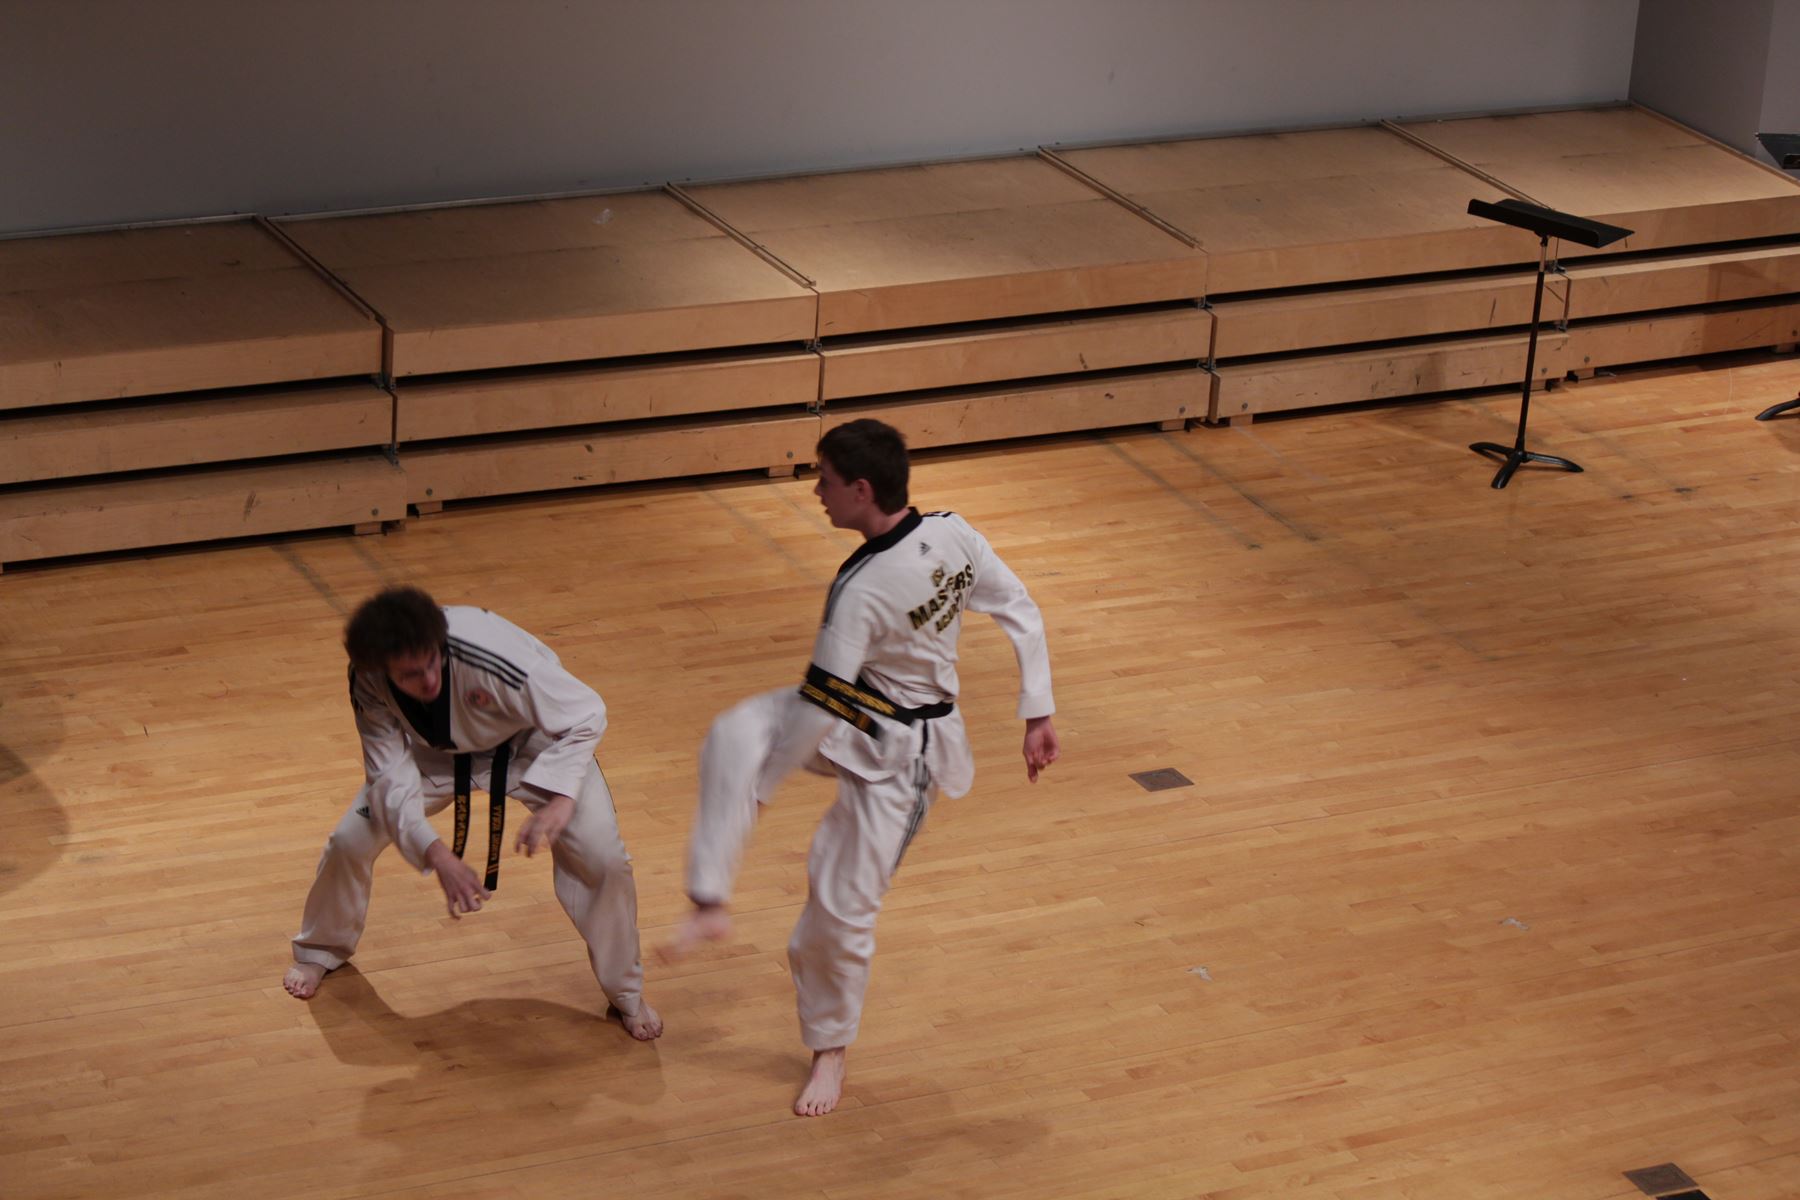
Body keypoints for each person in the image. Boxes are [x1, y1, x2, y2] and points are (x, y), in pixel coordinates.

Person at [666, 419, 1059, 1114]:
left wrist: (763, 790)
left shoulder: (869, 585)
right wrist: (1038, 715)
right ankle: (710, 900)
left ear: (861, 490)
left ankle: (831, 1050)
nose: (815, 492)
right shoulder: (952, 531)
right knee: (736, 733)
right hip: (858, 707)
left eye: (824, 480)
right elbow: (1017, 608)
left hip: (908, 755)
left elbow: (821, 699)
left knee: (837, 913)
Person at [282, 586, 662, 1041]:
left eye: (432, 662)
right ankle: (320, 950)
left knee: (604, 858)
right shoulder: (367, 676)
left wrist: (563, 798)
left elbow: (586, 713)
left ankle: (626, 991)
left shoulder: (490, 652)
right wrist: (436, 853)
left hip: (531, 747)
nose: (428, 680)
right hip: (436, 754)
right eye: (410, 674)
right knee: (349, 840)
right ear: (381, 669)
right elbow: (388, 776)